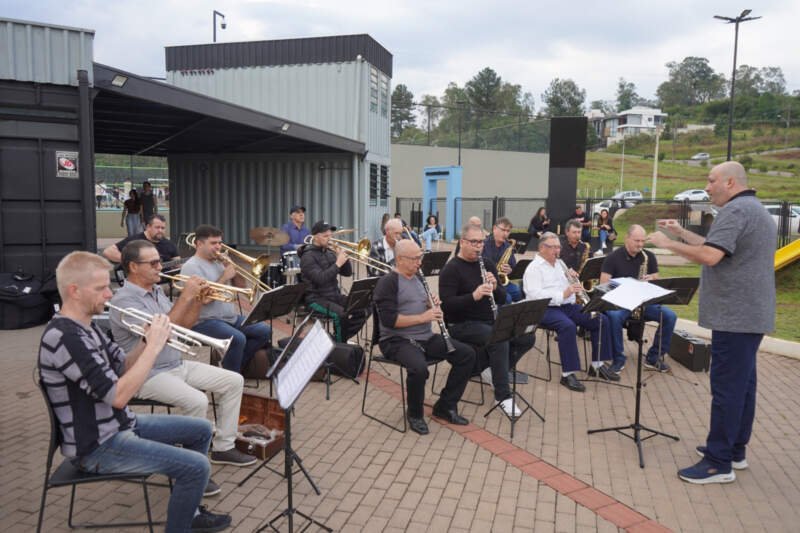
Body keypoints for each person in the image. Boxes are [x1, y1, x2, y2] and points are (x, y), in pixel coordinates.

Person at [38, 251, 231, 532]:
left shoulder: (87, 329)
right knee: (197, 467)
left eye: (108, 286)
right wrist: (154, 348)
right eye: (101, 288)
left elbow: (124, 365)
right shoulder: (66, 338)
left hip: (118, 426)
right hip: (97, 446)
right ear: (74, 291)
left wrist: (147, 338)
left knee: (201, 429)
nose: (108, 295)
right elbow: (118, 396)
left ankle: (189, 512)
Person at [648, 161, 776, 485]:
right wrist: (681, 233)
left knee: (727, 390)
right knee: (744, 386)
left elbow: (710, 256)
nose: (706, 187)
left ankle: (718, 463)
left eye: (711, 180)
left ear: (730, 183)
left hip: (735, 317)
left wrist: (667, 244)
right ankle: (735, 450)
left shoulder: (735, 212)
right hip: (751, 315)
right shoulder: (754, 209)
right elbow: (717, 246)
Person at [109, 240, 256, 467]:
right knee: (197, 400)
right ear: (133, 267)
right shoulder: (125, 300)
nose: (161, 266)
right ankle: (192, 462)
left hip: (176, 365)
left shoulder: (157, 290)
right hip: (147, 374)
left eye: (159, 261)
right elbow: (163, 332)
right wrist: (186, 296)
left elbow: (184, 326)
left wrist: (197, 300)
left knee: (234, 381)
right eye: (154, 263)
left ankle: (223, 447)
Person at [373, 239, 475, 434]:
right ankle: (415, 414)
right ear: (400, 259)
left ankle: (445, 406)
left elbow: (420, 304)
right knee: (419, 368)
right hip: (396, 341)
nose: (420, 262)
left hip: (424, 336)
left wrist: (430, 304)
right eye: (415, 258)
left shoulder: (418, 277)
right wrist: (424, 316)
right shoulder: (388, 283)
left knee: (466, 354)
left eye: (420, 257)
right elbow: (389, 321)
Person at [440, 224, 534, 417]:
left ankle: (490, 369)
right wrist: (473, 296)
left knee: (526, 337)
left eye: (481, 242)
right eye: (474, 242)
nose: (478, 246)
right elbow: (447, 306)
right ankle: (503, 395)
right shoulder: (451, 269)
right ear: (463, 242)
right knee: (498, 339)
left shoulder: (488, 264)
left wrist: (494, 286)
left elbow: (501, 298)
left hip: (489, 320)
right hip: (461, 325)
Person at [523, 232, 617, 391]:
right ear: (542, 248)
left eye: (558, 247)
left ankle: (597, 365)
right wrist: (564, 294)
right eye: (553, 247)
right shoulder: (533, 268)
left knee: (600, 319)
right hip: (544, 309)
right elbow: (535, 295)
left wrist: (573, 280)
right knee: (568, 326)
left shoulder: (560, 264)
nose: (557, 251)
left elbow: (568, 287)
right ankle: (568, 374)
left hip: (566, 306)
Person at [180, 225, 272, 374]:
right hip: (204, 320)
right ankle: (231, 373)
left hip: (229, 317)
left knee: (265, 331)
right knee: (238, 339)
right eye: (213, 243)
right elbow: (204, 300)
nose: (218, 247)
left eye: (220, 243)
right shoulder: (191, 267)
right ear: (199, 244)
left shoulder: (219, 262)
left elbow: (242, 287)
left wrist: (233, 269)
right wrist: (224, 277)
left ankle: (233, 368)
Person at [600, 225, 676, 375]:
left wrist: (651, 279)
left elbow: (656, 278)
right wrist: (625, 286)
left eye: (643, 241)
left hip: (643, 303)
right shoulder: (612, 258)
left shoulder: (648, 256)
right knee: (614, 317)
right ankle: (618, 358)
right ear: (627, 238)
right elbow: (603, 284)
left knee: (670, 316)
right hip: (621, 303)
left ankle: (654, 357)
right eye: (637, 241)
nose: (640, 245)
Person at [299, 221, 369, 342]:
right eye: (325, 236)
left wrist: (343, 258)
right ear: (315, 236)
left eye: (330, 235)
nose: (329, 238)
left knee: (364, 307)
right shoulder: (307, 257)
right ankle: (340, 344)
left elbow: (347, 273)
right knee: (341, 315)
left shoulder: (329, 253)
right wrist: (338, 263)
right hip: (316, 299)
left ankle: (338, 338)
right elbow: (321, 279)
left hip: (333, 295)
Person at [103, 214, 179, 265]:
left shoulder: (169, 244)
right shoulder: (135, 240)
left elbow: (178, 263)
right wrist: (130, 263)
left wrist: (178, 265)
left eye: (162, 228)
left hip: (163, 282)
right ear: (148, 227)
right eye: (157, 227)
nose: (160, 230)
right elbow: (108, 252)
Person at [482, 217, 523, 303]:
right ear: (494, 228)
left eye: (508, 231)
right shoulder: (484, 245)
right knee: (507, 298)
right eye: (503, 230)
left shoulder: (508, 246)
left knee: (518, 293)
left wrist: (510, 270)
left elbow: (513, 267)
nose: (505, 234)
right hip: (488, 282)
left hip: (503, 281)